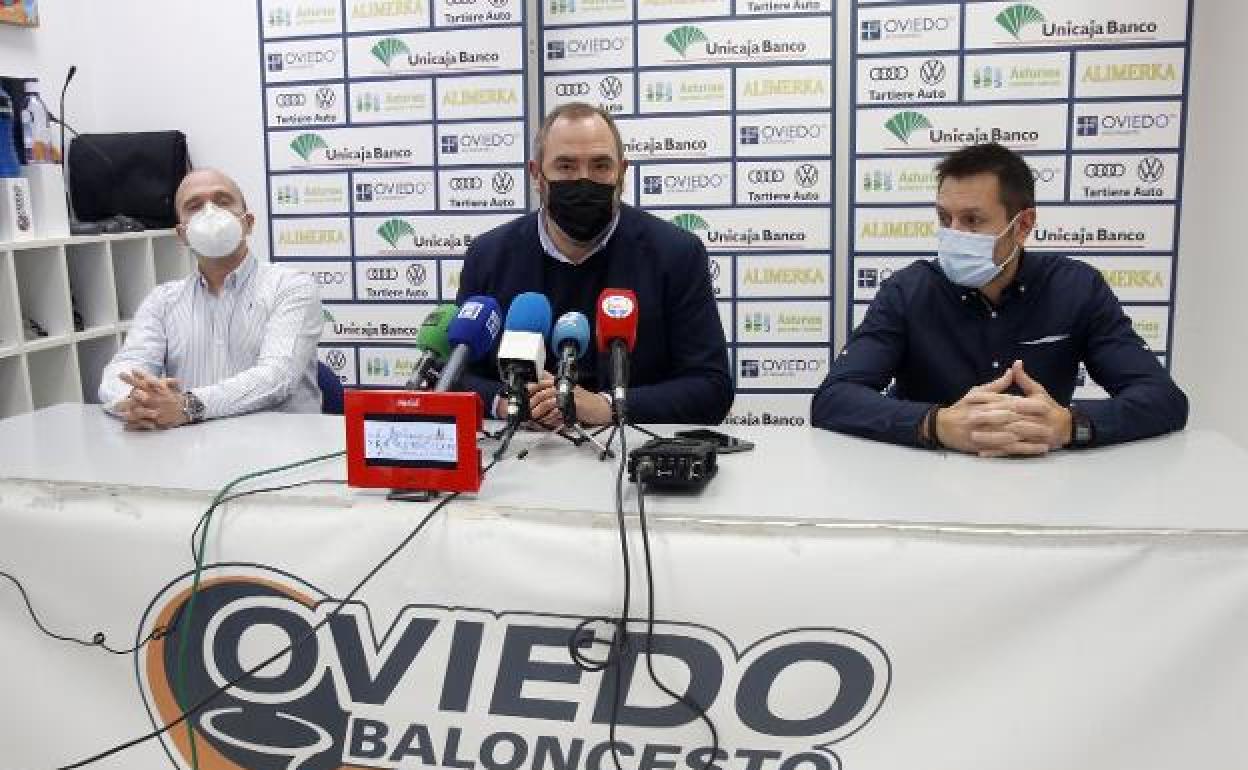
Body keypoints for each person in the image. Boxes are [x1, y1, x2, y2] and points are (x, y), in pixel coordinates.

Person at [812, 142, 1187, 455]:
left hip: (1043, 485)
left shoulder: (1076, 288)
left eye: (972, 221)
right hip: (923, 484)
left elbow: (1163, 400)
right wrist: (935, 424)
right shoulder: (908, 291)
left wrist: (1071, 425)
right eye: (945, 219)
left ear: (1022, 225)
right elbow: (834, 398)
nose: (954, 234)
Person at [456, 102, 732, 426]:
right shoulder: (489, 256)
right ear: (536, 175)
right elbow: (454, 375)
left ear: (623, 173)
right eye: (566, 167)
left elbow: (711, 388)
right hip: (518, 455)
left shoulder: (676, 254)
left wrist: (609, 406)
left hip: (628, 459)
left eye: (601, 166)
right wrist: (508, 403)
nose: (583, 181)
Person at [98, 168, 323, 428]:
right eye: (194, 206)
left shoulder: (291, 287)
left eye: (222, 201)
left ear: (247, 223)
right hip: (193, 452)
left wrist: (187, 406)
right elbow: (123, 370)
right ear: (182, 234)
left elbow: (278, 377)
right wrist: (139, 401)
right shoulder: (162, 301)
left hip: (282, 453)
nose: (210, 212)